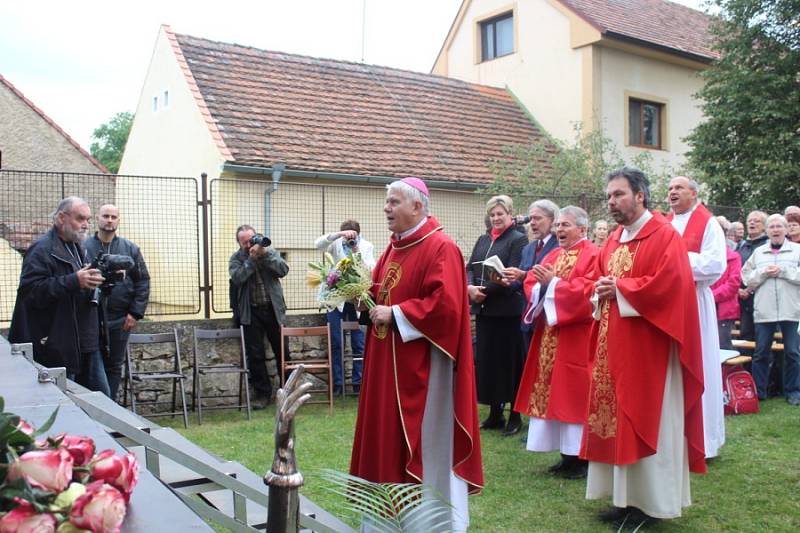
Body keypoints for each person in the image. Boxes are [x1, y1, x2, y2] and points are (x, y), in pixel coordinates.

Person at [350, 177, 483, 531]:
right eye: (387, 202)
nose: (386, 208)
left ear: (417, 206)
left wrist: (395, 314)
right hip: (385, 365)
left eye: (394, 202)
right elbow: (380, 294)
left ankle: (429, 521)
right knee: (384, 441)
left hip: (424, 372)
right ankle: (385, 519)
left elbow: (448, 307)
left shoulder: (441, 247)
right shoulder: (394, 248)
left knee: (424, 444)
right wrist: (359, 297)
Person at [582, 167, 706, 528]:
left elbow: (671, 285)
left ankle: (650, 504)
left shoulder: (664, 235)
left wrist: (619, 289)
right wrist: (602, 289)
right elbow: (598, 280)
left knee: (649, 418)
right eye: (608, 196)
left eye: (618, 194)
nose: (612, 202)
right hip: (613, 346)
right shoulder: (615, 238)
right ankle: (622, 499)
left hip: (649, 351)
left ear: (640, 195)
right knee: (615, 420)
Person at [513, 206, 598, 479]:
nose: (559, 230)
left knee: (574, 396)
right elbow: (532, 281)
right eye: (559, 225)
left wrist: (555, 284)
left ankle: (581, 458)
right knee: (554, 397)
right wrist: (542, 285)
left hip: (577, 337)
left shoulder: (593, 255)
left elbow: (590, 292)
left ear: (583, 229)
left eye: (566, 225)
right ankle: (565, 455)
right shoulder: (554, 253)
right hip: (550, 334)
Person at [9, 197, 111, 396]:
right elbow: (31, 293)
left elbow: (80, 285)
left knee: (104, 404)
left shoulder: (78, 246)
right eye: (80, 219)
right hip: (60, 343)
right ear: (61, 218)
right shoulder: (41, 249)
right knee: (67, 403)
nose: (85, 225)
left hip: (87, 341)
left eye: (88, 220)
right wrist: (74, 280)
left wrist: (102, 281)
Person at [666, 176, 727, 459]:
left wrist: (675, 260)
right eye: (669, 189)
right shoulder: (664, 224)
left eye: (678, 188)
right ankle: (672, 438)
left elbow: (715, 265)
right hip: (666, 303)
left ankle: (704, 441)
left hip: (695, 300)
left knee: (698, 366)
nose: (672, 192)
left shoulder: (708, 223)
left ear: (694, 193)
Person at [467, 195, 528, 436]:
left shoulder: (518, 239)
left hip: (507, 312)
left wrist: (484, 290)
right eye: (492, 214)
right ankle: (494, 414)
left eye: (500, 214)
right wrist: (470, 288)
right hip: (484, 310)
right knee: (488, 362)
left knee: (510, 363)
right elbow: (471, 267)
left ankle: (515, 415)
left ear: (510, 214)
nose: (496, 218)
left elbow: (512, 274)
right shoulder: (483, 239)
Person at [84, 204, 150, 401]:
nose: (109, 220)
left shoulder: (130, 248)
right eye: (106, 216)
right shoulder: (84, 247)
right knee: (93, 364)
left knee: (114, 364)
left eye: (113, 217)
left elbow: (143, 280)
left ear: (118, 220)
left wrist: (135, 313)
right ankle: (94, 408)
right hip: (91, 318)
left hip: (121, 319)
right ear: (98, 218)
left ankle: (111, 409)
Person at [740, 214, 800, 405]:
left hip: (791, 309)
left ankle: (793, 391)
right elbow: (746, 277)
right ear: (767, 231)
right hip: (764, 310)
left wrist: (783, 271)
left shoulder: (796, 250)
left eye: (779, 226)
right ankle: (759, 391)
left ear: (786, 230)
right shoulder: (758, 253)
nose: (775, 230)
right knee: (761, 353)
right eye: (772, 227)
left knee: (792, 352)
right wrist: (763, 272)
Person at [229, 225, 289, 408]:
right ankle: (263, 395)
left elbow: (283, 270)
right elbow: (238, 278)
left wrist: (265, 255)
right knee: (255, 355)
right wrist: (252, 260)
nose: (249, 244)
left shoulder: (269, 252)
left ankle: (287, 392)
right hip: (251, 312)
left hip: (273, 310)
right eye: (244, 242)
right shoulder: (236, 259)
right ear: (239, 243)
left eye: (251, 239)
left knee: (283, 352)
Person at [314, 219, 375, 394]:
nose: (348, 239)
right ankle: (337, 385)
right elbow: (318, 244)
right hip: (335, 300)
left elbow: (371, 269)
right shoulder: (336, 243)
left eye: (352, 236)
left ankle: (358, 384)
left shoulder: (366, 246)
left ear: (358, 235)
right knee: (336, 341)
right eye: (346, 235)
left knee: (358, 342)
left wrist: (356, 251)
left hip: (357, 299)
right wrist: (338, 235)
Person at [504, 200, 560, 350]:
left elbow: (553, 278)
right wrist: (507, 281)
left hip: (547, 319)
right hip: (527, 320)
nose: (532, 223)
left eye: (538, 218)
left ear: (553, 220)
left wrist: (523, 275)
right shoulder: (528, 248)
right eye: (531, 218)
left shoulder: (560, 246)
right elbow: (521, 282)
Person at [736, 211, 769, 341]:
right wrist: (737, 289)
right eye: (749, 220)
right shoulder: (741, 247)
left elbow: (766, 271)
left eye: (756, 221)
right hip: (743, 302)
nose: (752, 223)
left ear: (764, 227)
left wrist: (750, 289)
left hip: (762, 300)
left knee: (764, 339)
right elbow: (734, 271)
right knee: (745, 337)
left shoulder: (767, 246)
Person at [711, 247, 742, 350]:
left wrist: (710, 296)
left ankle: (728, 367)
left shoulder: (733, 257)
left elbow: (733, 284)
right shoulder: (705, 256)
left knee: (723, 346)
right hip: (705, 307)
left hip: (724, 310)